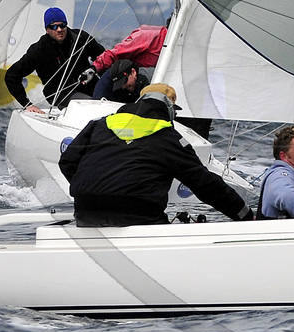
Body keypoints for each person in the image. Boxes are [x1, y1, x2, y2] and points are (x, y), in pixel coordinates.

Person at [57, 83, 250, 227]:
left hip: (85, 212)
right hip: (138, 217)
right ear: (169, 109)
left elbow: (67, 161)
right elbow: (205, 184)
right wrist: (245, 215)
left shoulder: (99, 124)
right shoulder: (168, 138)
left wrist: (94, 190)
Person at [4, 6, 104, 109]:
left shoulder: (80, 38)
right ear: (47, 30)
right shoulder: (39, 50)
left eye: (62, 25)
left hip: (89, 86)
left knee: (110, 99)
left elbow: (104, 57)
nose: (59, 29)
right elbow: (11, 76)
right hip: (60, 94)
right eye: (54, 27)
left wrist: (102, 77)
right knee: (91, 105)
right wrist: (27, 104)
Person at [91, 23, 167, 101]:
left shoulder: (167, 42)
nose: (128, 88)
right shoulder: (148, 36)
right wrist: (94, 68)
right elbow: (115, 53)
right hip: (122, 72)